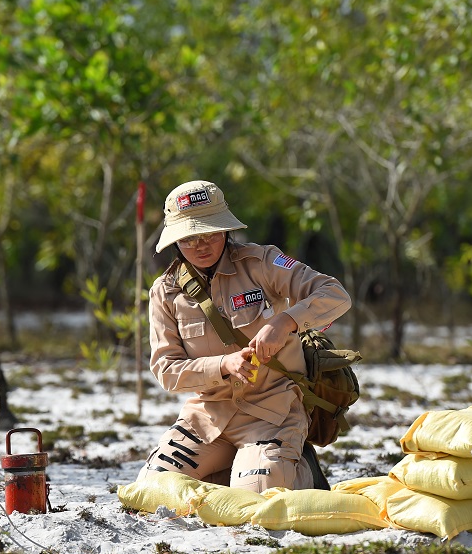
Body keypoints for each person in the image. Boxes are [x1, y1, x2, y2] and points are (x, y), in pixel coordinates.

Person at [136, 179, 352, 492]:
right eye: (189, 237)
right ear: (175, 240)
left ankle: (295, 467)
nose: (201, 245)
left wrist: (286, 322)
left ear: (225, 229)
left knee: (257, 493)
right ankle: (238, 471)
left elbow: (335, 294)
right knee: (152, 489)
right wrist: (223, 365)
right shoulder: (165, 292)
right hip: (208, 417)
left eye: (210, 232)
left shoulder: (261, 263)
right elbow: (167, 372)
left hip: (272, 412)